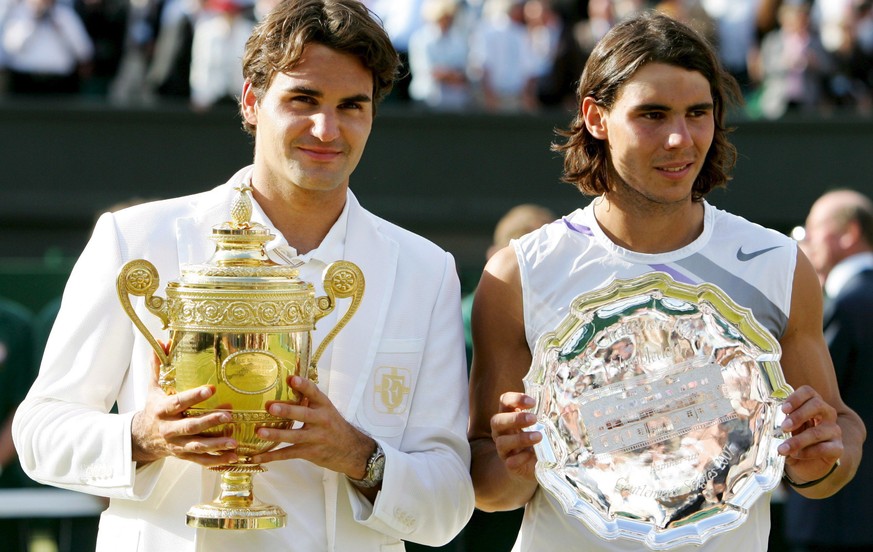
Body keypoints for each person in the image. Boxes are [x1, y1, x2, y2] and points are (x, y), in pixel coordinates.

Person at [12, 1, 474, 551]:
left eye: (352, 106)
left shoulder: (424, 270)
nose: (327, 129)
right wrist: (143, 436)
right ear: (253, 102)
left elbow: (448, 505)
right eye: (303, 99)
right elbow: (39, 433)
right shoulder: (135, 240)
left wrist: (357, 455)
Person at [467, 11, 864, 551]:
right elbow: (488, 484)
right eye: (652, 114)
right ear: (595, 117)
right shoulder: (521, 272)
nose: (680, 138)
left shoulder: (776, 262)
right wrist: (517, 463)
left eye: (698, 113)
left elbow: (832, 449)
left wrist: (822, 455)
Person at [784, 189, 873, 551]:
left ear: (849, 233)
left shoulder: (847, 303)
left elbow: (816, 396)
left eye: (811, 230)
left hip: (837, 513)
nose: (803, 241)